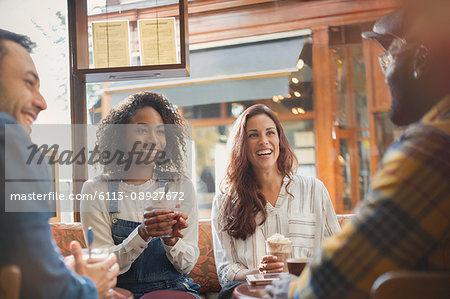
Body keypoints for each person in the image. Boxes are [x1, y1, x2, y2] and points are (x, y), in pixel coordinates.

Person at [266, 0, 450, 298]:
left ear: (421, 60)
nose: (385, 75)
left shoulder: (433, 148)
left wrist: (291, 289)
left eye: (388, 59)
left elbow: (332, 284)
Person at [0, 28, 119, 298]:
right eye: (29, 83)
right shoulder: (10, 141)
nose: (42, 103)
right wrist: (90, 286)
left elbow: (25, 266)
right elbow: (49, 289)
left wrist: (58, 269)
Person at [211, 104, 341, 298]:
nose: (263, 141)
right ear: (242, 145)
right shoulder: (225, 201)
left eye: (270, 133)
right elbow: (225, 270)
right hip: (252, 293)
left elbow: (336, 251)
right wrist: (257, 272)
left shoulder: (314, 189)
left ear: (279, 139)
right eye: (253, 135)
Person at [80, 91, 201, 299]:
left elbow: (186, 265)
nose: (153, 140)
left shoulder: (180, 186)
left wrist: (172, 241)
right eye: (142, 130)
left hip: (173, 290)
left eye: (160, 132)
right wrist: (143, 233)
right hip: (119, 293)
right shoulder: (95, 190)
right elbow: (102, 264)